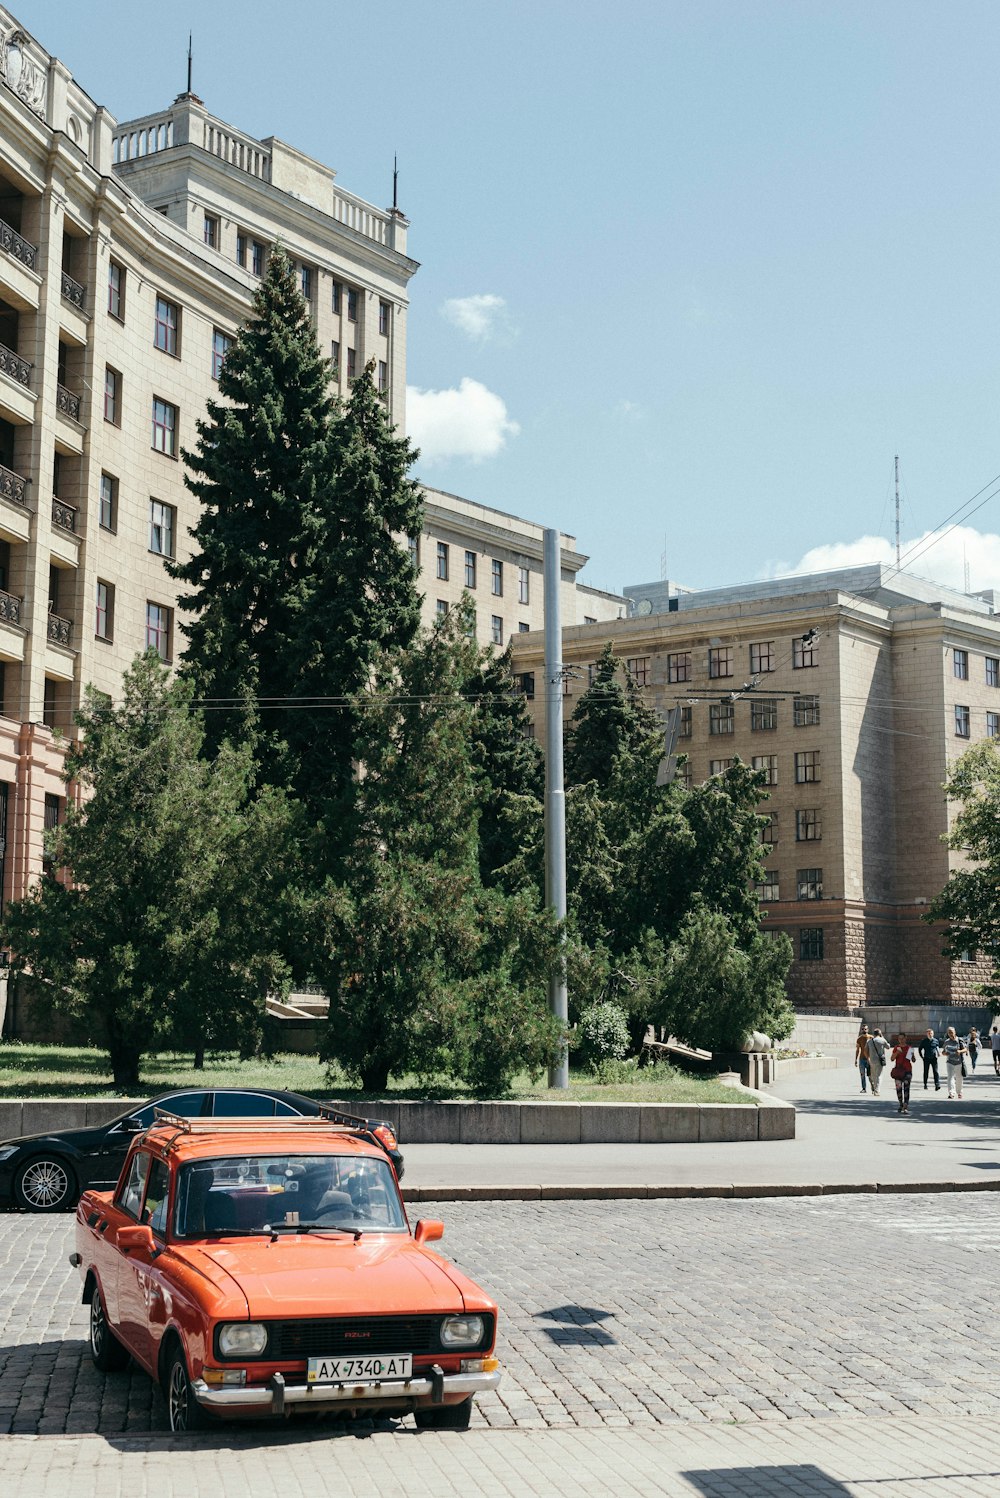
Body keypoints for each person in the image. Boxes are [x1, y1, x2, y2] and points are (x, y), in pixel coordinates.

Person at [942, 1026, 967, 1099]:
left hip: (959, 1062)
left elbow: (965, 1049)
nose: (950, 1034)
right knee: (950, 1077)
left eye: (951, 1032)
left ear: (955, 1032)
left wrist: (960, 1051)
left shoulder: (959, 1040)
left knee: (959, 1078)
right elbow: (943, 1051)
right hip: (950, 1062)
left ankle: (959, 1092)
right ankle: (951, 1093)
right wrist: (944, 1053)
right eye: (949, 1033)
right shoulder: (947, 1042)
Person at [890, 1034, 913, 1114]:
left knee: (906, 1088)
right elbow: (892, 1059)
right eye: (899, 1039)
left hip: (907, 1071)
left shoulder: (909, 1048)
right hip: (898, 1071)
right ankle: (900, 1103)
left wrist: (912, 1055)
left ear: (905, 1038)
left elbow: (912, 1060)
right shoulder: (896, 1048)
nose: (901, 1040)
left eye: (902, 1038)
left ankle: (905, 1106)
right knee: (898, 1088)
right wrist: (897, 1053)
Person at [866, 1028, 889, 1097]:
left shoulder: (869, 1041)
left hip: (872, 1060)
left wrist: (868, 1058)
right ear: (879, 1034)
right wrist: (883, 1037)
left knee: (873, 1075)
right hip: (879, 1060)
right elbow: (888, 1047)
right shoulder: (882, 1040)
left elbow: (865, 1049)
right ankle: (877, 1091)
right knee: (879, 1075)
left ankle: (873, 1086)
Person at [855, 1024, 872, 1094]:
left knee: (870, 1075)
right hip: (861, 1059)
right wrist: (855, 1059)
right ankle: (864, 1088)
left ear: (868, 1030)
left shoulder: (871, 1038)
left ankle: (873, 1087)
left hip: (869, 1059)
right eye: (862, 1029)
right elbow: (857, 1049)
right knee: (862, 1074)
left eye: (865, 1029)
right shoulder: (859, 1039)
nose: (864, 1030)